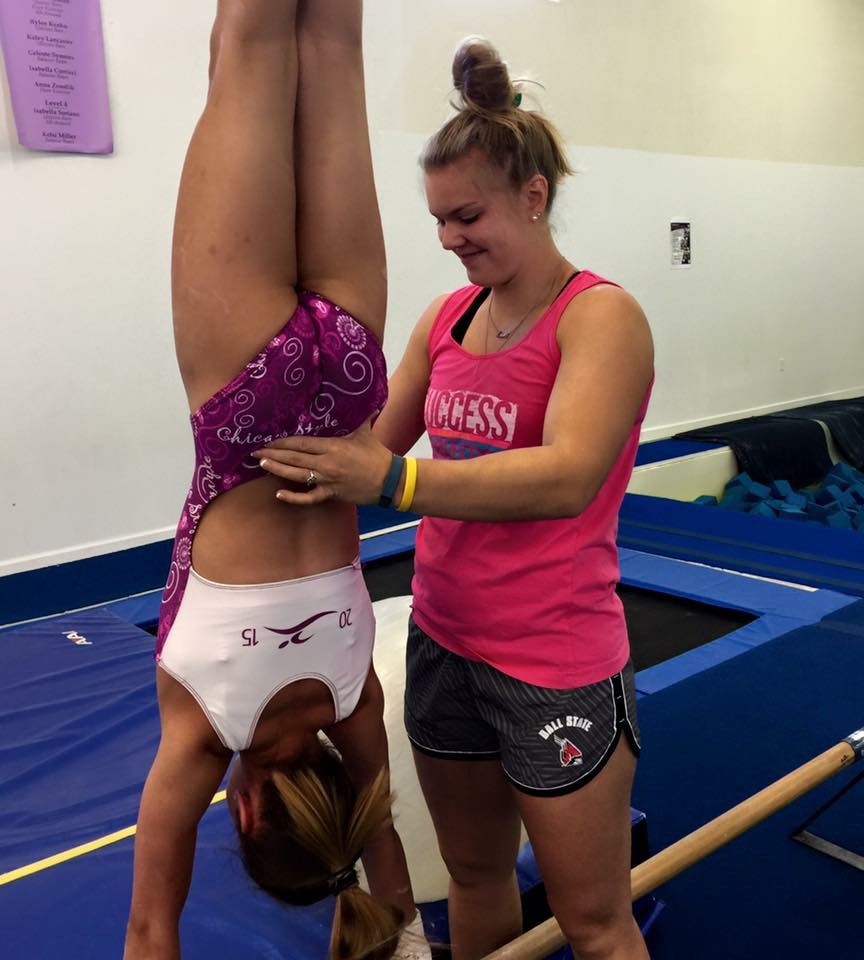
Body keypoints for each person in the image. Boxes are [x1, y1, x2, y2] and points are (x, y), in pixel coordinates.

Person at [252, 38, 655, 960]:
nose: (449, 239)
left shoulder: (600, 317)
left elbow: (568, 474)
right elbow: (369, 444)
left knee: (593, 919)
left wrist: (396, 482)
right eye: (437, 220)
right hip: (445, 639)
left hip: (553, 654)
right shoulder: (447, 318)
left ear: (534, 195)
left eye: (466, 215)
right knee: (473, 880)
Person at [123, 3, 431, 959]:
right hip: (240, 389)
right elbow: (148, 931)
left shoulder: (354, 702)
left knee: (330, 41)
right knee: (247, 43)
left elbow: (378, 841)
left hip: (347, 376)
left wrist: (407, 939)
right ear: (247, 813)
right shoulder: (204, 732)